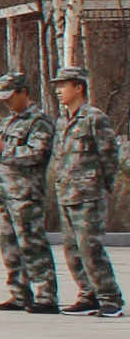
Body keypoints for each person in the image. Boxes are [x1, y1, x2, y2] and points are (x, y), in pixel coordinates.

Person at [0, 71, 57, 312]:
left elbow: (38, 154)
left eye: (10, 97)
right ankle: (19, 293)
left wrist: (3, 149)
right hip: (3, 190)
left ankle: (46, 296)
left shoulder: (39, 121)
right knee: (9, 246)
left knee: (32, 244)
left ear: (24, 92)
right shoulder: (8, 122)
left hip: (25, 193)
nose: (7, 103)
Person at [51, 66, 122, 317]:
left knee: (90, 248)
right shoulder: (62, 121)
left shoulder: (94, 118)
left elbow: (109, 155)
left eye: (63, 85)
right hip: (66, 193)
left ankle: (110, 298)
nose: (58, 90)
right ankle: (88, 294)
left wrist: (102, 186)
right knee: (72, 250)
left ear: (79, 87)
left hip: (89, 195)